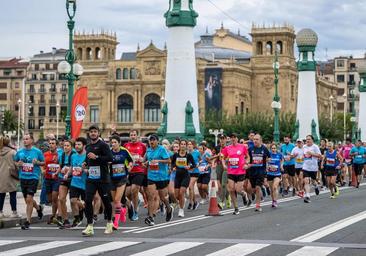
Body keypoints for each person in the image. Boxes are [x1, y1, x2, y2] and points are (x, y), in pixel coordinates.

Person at [82, 125, 114, 236]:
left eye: (95, 132)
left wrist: (97, 157)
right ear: (89, 134)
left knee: (106, 201)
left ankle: (110, 222)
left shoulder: (103, 145)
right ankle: (90, 225)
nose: (93, 134)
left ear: (98, 133)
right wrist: (85, 164)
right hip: (91, 178)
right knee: (87, 200)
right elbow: (87, 159)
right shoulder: (88, 146)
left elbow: (110, 158)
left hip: (103, 179)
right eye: (91, 132)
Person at [14, 134, 44, 230]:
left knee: (29, 198)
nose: (25, 141)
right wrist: (18, 164)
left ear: (32, 140)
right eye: (24, 139)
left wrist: (37, 163)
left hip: (33, 177)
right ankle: (38, 208)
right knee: (28, 200)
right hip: (23, 177)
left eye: (27, 139)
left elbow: (43, 162)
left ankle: (27, 221)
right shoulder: (20, 152)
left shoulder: (37, 151)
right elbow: (15, 162)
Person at [145, 134, 173, 225]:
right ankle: (151, 217)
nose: (151, 142)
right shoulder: (148, 150)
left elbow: (169, 161)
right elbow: (147, 161)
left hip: (161, 176)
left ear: (157, 141)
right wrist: (146, 163)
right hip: (151, 176)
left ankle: (169, 208)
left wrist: (158, 161)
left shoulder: (162, 149)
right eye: (150, 140)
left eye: (153, 140)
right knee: (151, 196)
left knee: (162, 197)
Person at [221, 133, 250, 215]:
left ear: (237, 139)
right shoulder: (227, 148)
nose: (233, 139)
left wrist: (246, 163)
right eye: (231, 138)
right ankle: (236, 208)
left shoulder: (242, 147)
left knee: (238, 190)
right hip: (231, 172)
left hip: (240, 171)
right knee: (231, 189)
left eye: (234, 137)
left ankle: (244, 194)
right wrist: (223, 165)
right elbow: (222, 158)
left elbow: (247, 157)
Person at [109, 135, 133, 230]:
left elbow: (131, 160)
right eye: (112, 142)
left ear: (119, 143)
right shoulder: (109, 152)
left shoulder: (124, 151)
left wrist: (130, 166)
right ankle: (123, 210)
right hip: (112, 178)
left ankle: (115, 222)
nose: (113, 144)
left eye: (115, 142)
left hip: (122, 178)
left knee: (117, 200)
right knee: (115, 200)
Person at [124, 130, 147, 221]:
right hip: (129, 171)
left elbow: (145, 157)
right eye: (131, 135)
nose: (133, 136)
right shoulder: (126, 146)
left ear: (137, 136)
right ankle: (136, 201)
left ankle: (135, 211)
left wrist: (142, 159)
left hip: (139, 170)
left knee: (134, 190)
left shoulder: (142, 146)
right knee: (127, 193)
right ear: (130, 136)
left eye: (134, 135)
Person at [171, 139, 195, 218]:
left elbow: (194, 165)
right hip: (177, 176)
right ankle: (182, 200)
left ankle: (181, 210)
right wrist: (173, 167)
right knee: (177, 195)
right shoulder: (175, 155)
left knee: (181, 193)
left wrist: (189, 166)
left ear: (186, 146)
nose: (183, 145)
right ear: (180, 145)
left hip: (185, 176)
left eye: (185, 144)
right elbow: (172, 163)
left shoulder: (188, 155)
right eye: (182, 144)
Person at [247, 134, 270, 212]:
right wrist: (247, 163)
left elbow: (269, 157)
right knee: (251, 189)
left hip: (261, 171)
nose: (255, 141)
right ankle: (261, 193)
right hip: (252, 171)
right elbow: (247, 158)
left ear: (260, 140)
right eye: (254, 139)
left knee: (257, 187)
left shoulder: (264, 149)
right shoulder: (250, 149)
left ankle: (258, 205)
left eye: (257, 139)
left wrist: (268, 160)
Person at [69, 137, 88, 227]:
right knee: (73, 201)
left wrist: (85, 170)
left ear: (84, 146)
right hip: (74, 182)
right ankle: (77, 218)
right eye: (76, 144)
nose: (76, 146)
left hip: (85, 183)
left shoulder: (87, 156)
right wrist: (67, 174)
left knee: (86, 203)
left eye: (79, 144)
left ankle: (85, 210)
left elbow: (91, 169)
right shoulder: (73, 156)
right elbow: (72, 167)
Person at [55, 139, 74, 228]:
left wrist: (68, 171)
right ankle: (65, 220)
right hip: (63, 178)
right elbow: (60, 166)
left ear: (71, 147)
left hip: (73, 178)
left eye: (67, 146)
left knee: (74, 200)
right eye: (64, 146)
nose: (65, 147)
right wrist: (56, 172)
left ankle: (81, 209)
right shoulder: (62, 155)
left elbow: (73, 166)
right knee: (61, 199)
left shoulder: (74, 155)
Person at [0, 136, 19, 218]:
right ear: (8, 142)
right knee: (12, 194)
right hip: (11, 176)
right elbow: (17, 164)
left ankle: (0, 212)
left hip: (1, 176)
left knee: (1, 195)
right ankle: (14, 212)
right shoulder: (13, 152)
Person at [43, 138, 60, 224]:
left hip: (56, 179)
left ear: (56, 145)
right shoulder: (45, 154)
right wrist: (43, 169)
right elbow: (43, 164)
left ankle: (54, 216)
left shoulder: (59, 154)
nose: (51, 145)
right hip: (47, 178)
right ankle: (55, 214)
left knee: (54, 197)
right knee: (50, 199)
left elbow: (62, 164)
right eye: (50, 143)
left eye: (53, 143)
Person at [302, 135, 322, 203]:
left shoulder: (315, 147)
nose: (307, 140)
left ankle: (316, 186)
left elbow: (320, 156)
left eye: (309, 139)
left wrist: (312, 154)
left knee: (313, 181)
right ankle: (307, 196)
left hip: (313, 168)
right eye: (306, 139)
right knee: (306, 181)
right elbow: (303, 155)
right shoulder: (304, 147)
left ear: (312, 140)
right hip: (305, 167)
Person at [187, 140, 200, 210]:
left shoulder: (197, 152)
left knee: (190, 186)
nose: (189, 145)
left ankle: (190, 203)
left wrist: (198, 163)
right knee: (191, 188)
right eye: (188, 144)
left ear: (193, 145)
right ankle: (195, 202)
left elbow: (201, 160)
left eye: (190, 144)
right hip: (188, 172)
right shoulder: (186, 153)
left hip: (195, 172)